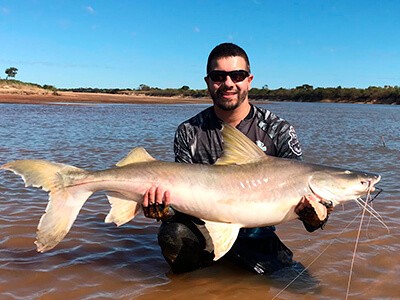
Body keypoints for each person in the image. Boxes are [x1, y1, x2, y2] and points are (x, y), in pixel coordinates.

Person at [142, 43, 326, 274]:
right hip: (202, 227)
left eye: (237, 75)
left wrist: (316, 217)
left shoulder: (279, 130)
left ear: (249, 80)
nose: (228, 83)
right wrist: (162, 210)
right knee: (174, 235)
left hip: (257, 233)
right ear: (208, 81)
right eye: (219, 76)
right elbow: (183, 200)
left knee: (286, 276)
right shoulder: (189, 131)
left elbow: (306, 210)